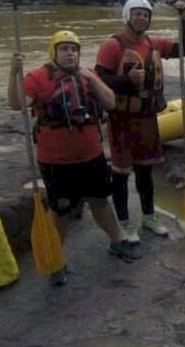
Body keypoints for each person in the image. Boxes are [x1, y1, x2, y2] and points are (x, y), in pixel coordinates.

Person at [9, 31, 141, 285]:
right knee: (61, 209)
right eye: (64, 49)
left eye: (74, 49)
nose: (70, 53)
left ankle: (117, 242)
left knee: (100, 201)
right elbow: (18, 105)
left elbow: (111, 102)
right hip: (56, 161)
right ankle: (56, 261)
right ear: (53, 52)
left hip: (91, 155)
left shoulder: (87, 74)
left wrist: (92, 79)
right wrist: (13, 73)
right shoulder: (37, 77)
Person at [95, 0, 185, 243]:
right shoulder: (112, 46)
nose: (142, 18)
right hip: (121, 120)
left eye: (146, 15)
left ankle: (149, 217)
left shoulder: (154, 43)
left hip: (147, 119)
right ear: (128, 16)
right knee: (120, 173)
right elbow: (100, 81)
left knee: (145, 171)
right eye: (137, 14)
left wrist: (184, 19)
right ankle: (125, 222)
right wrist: (128, 81)